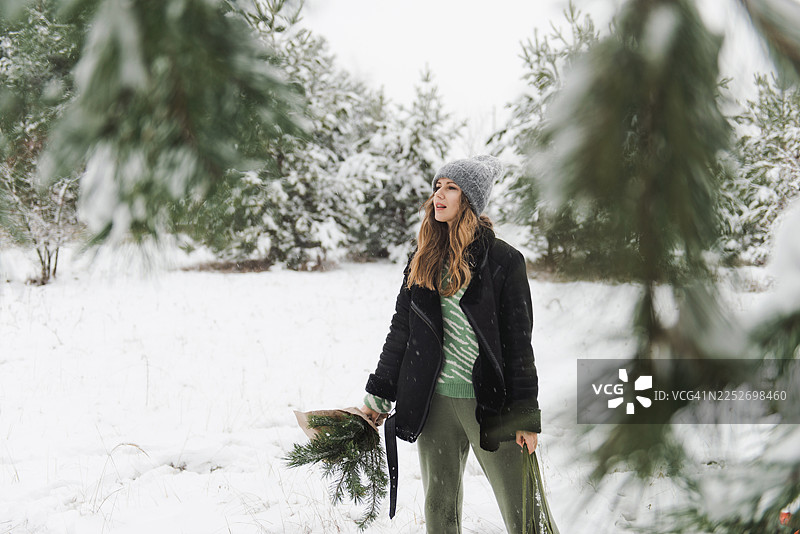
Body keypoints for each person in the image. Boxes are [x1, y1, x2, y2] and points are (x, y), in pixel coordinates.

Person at [360, 155, 558, 533]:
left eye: (451, 188)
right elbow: (401, 332)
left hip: (490, 403)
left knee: (525, 512)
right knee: (439, 508)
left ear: (469, 199)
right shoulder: (423, 260)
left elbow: (519, 345)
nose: (439, 195)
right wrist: (378, 395)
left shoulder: (503, 261)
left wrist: (525, 416)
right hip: (434, 402)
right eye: (438, 186)